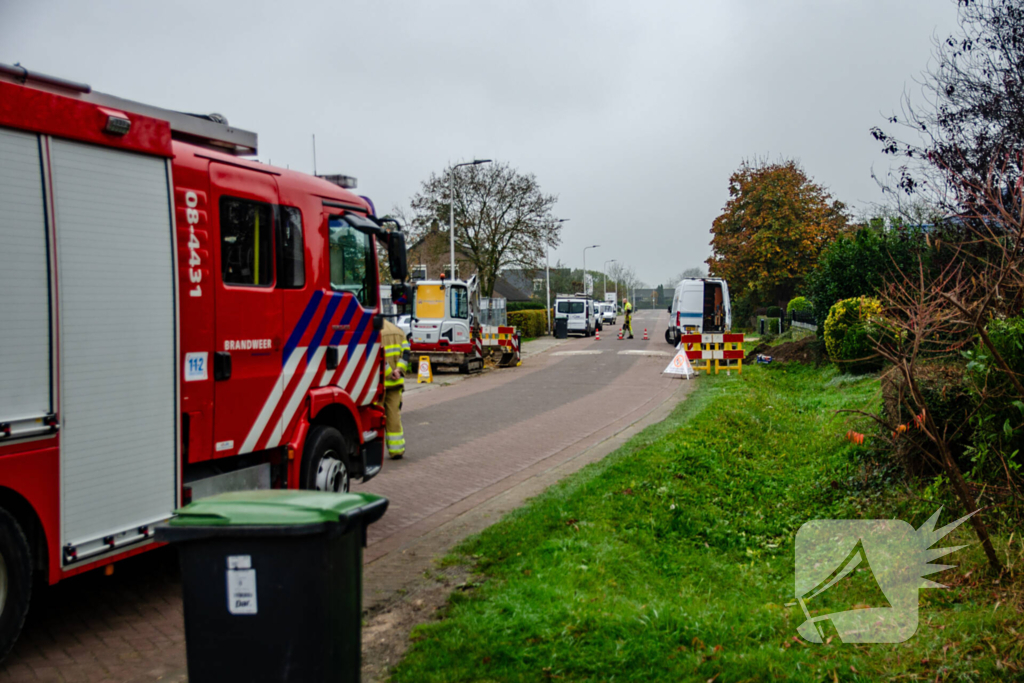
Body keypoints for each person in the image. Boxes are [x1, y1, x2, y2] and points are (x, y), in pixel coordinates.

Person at [381, 319, 411, 459]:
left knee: (376, 420)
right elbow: (406, 354)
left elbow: (377, 355)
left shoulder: (375, 332)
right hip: (396, 383)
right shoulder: (399, 332)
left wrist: (388, 372)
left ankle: (375, 453)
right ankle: (396, 450)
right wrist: (398, 370)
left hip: (380, 384)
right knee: (394, 417)